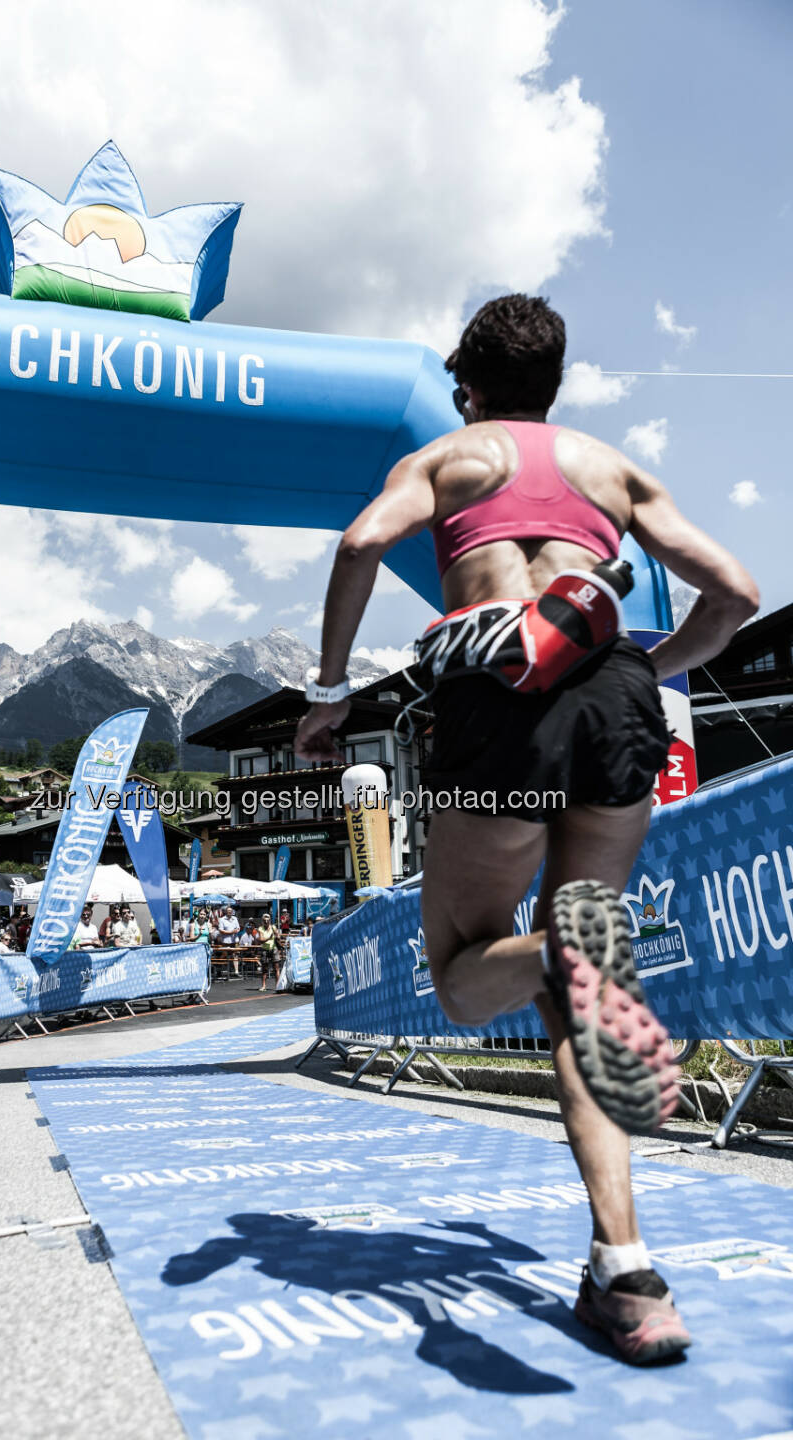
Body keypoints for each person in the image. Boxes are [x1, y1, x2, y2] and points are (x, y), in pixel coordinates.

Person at [294, 294, 758, 1365]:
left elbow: (362, 541)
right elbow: (734, 589)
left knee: (463, 975)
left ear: (467, 379)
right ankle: (628, 1274)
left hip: (501, 706)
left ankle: (561, 948)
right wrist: (654, 665)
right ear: (554, 383)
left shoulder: (453, 455)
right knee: (578, 1008)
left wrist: (324, 694)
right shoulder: (610, 468)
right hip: (616, 706)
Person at [256, 913, 278, 993]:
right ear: (262, 920)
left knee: (276, 968)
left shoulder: (273, 927)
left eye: (267, 920)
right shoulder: (260, 928)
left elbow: (278, 936)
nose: (266, 921)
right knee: (264, 968)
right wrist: (269, 937)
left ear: (269, 920)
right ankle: (264, 986)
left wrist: (277, 936)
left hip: (273, 948)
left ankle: (277, 986)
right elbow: (261, 940)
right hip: (264, 949)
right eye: (264, 920)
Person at [217, 905, 241, 977]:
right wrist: (230, 932)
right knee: (224, 955)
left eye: (231, 911)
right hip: (226, 941)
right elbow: (221, 930)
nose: (229, 912)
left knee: (235, 955)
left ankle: (236, 971)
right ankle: (219, 969)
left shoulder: (235, 919)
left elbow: (238, 927)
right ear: (226, 912)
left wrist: (237, 930)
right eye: (228, 911)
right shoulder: (222, 919)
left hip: (234, 940)